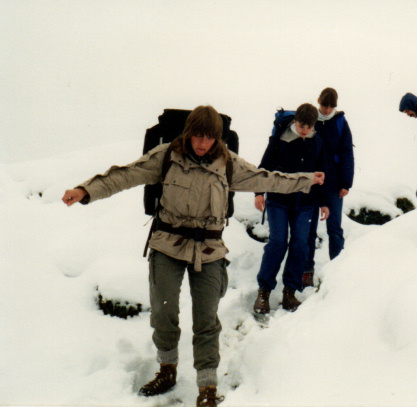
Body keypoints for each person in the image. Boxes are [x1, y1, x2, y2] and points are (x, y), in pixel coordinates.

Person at [62, 105, 324, 406]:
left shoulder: (228, 164)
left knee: (206, 319)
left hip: (209, 249)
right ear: (188, 134)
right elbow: (125, 174)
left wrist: (306, 179)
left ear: (217, 138)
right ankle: (167, 368)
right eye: (197, 136)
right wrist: (86, 190)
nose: (202, 143)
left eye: (209, 137)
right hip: (168, 243)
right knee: (163, 311)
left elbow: (268, 178)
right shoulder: (166, 156)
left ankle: (208, 388)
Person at [253, 103, 329, 315]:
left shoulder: (317, 141)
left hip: (305, 203)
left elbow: (322, 173)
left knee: (300, 245)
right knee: (277, 243)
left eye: (309, 127)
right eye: (301, 125)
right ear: (295, 122)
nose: (304, 130)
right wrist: (259, 193)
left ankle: (290, 291)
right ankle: (264, 292)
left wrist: (324, 202)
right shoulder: (280, 139)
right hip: (278, 201)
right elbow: (264, 167)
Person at [304, 88, 354, 287]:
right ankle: (306, 271)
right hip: (311, 181)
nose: (326, 109)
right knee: (308, 228)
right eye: (324, 105)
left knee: (334, 229)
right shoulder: (310, 119)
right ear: (318, 101)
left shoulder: (341, 122)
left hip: (333, 183)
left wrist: (346, 183)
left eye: (331, 106)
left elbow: (347, 153)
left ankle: (337, 270)